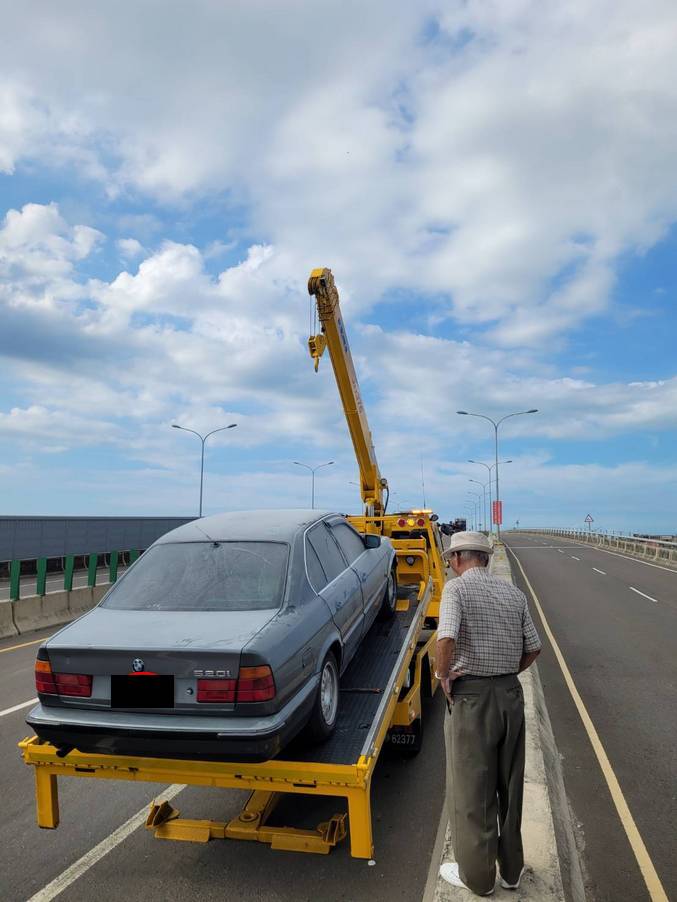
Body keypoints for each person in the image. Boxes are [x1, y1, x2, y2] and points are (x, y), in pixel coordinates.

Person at [435, 531, 542, 896]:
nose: (451, 564)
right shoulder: (514, 594)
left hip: (473, 699)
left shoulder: (456, 590)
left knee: (473, 793)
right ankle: (512, 872)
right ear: (485, 557)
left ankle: (479, 879)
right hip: (510, 694)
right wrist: (506, 673)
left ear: (460, 558)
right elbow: (534, 648)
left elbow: (446, 638)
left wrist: (443, 676)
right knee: (510, 785)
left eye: (452, 559)